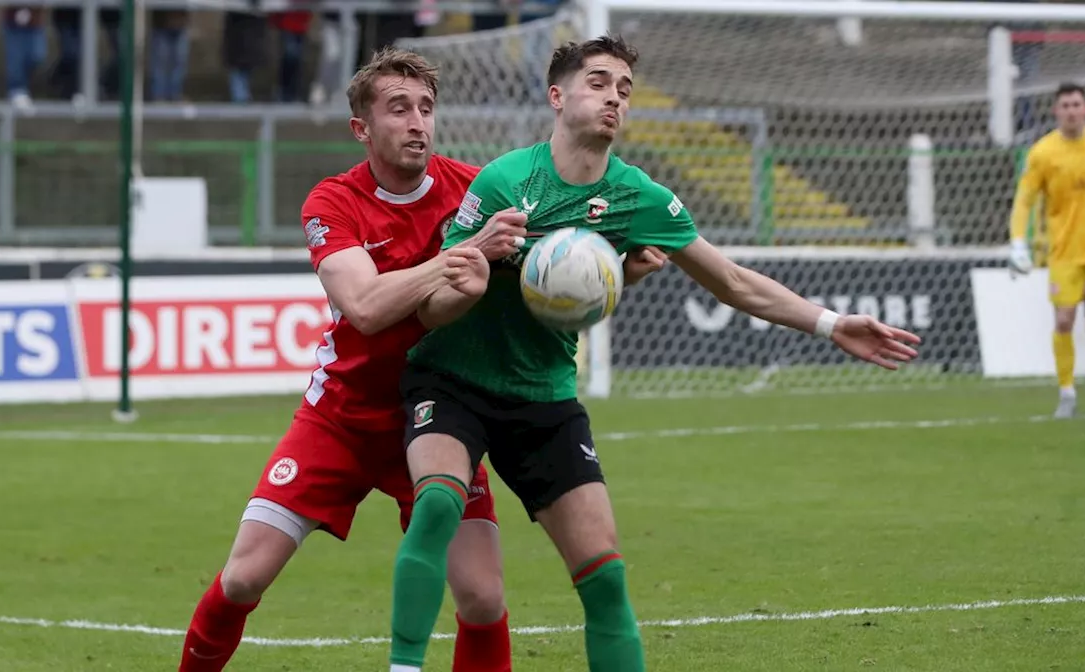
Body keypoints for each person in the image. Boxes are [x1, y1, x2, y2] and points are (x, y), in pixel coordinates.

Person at [384, 34, 922, 672]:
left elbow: (734, 282)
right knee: (440, 501)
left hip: (544, 396)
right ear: (557, 96)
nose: (614, 97)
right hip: (453, 381)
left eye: (624, 89)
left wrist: (832, 325)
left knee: (604, 573)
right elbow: (431, 309)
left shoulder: (638, 196)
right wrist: (480, 270)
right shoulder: (504, 181)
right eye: (599, 83)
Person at [178, 48, 527, 672]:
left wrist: (610, 258)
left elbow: (546, 231)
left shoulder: (475, 188)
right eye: (399, 109)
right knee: (241, 580)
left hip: (438, 419)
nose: (418, 122)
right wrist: (466, 251)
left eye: (426, 108)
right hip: (340, 417)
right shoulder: (332, 202)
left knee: (482, 595)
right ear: (361, 129)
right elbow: (364, 306)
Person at [1008, 82, 1085, 418]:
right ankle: (1066, 391)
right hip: (1063, 251)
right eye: (1064, 105)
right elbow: (1024, 200)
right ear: (1056, 112)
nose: (1071, 110)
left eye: (1076, 104)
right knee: (1065, 320)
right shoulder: (1042, 153)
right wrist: (1017, 242)